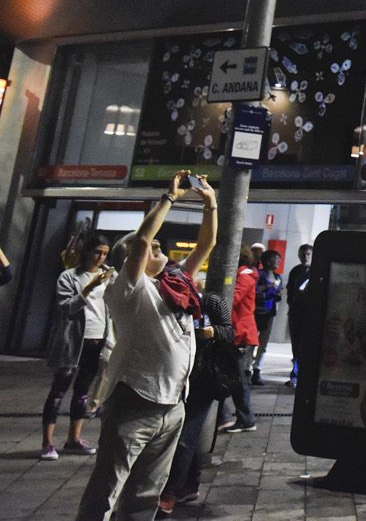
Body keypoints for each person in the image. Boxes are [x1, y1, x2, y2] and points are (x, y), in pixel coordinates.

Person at [75, 171, 217, 521]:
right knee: (108, 486)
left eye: (159, 246)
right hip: (137, 399)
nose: (158, 248)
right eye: (154, 248)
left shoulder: (176, 284)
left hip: (173, 405)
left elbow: (207, 245)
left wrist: (211, 204)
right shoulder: (128, 289)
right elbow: (140, 241)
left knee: (147, 492)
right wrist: (169, 198)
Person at [159, 287, 234, 514]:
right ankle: (190, 485)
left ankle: (170, 490)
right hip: (176, 377)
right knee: (182, 435)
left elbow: (229, 332)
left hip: (203, 380)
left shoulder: (211, 301)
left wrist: (212, 332)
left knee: (185, 436)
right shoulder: (169, 306)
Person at [43, 234, 113, 459]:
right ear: (86, 252)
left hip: (97, 337)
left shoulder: (108, 275)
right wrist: (88, 289)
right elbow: (66, 308)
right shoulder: (69, 277)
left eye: (104, 253)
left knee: (83, 392)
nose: (100, 257)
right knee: (59, 390)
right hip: (73, 340)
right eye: (97, 252)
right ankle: (47, 443)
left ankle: (74, 439)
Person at [219, 250, 258, 433]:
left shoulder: (244, 278)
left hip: (240, 333)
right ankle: (230, 416)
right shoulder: (245, 276)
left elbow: (231, 299)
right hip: (237, 332)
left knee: (239, 377)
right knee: (233, 375)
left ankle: (246, 419)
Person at [250, 249, 282, 385]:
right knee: (251, 342)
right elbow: (255, 290)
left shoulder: (278, 277)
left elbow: (278, 294)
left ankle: (257, 369)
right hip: (256, 311)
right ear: (268, 261)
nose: (278, 262)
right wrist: (268, 287)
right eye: (276, 259)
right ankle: (246, 368)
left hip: (269, 312)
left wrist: (277, 294)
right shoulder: (259, 275)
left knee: (263, 343)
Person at [284, 243, 312, 388]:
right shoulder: (296, 271)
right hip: (296, 312)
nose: (305, 257)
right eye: (302, 254)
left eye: (308, 254)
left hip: (308, 314)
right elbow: (290, 291)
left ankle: (302, 375)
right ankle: (295, 375)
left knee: (305, 345)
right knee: (296, 346)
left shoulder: (316, 271)